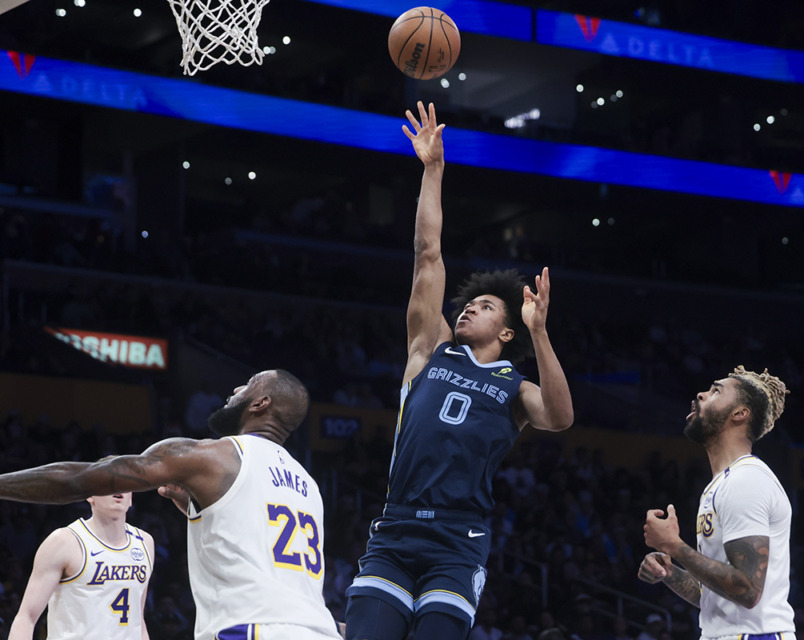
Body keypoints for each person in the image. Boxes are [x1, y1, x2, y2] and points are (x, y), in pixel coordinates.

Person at [344, 102, 575, 640]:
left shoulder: (515, 387)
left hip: (458, 538)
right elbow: (429, 256)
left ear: (508, 331)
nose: (468, 309)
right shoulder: (430, 350)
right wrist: (432, 171)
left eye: (487, 307)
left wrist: (541, 332)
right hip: (396, 528)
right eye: (468, 306)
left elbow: (561, 417)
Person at [0, 369, 343, 640]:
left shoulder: (214, 457)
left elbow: (81, 479)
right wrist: (202, 513)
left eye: (248, 385)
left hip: (253, 630)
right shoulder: (308, 485)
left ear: (260, 404)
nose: (236, 389)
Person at [639, 366, 795, 640]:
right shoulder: (724, 482)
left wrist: (673, 545)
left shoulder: (746, 481)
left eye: (715, 391)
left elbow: (746, 590)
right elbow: (716, 595)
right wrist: (669, 572)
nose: (700, 395)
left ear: (739, 414)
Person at [9, 490, 154, 639]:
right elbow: (26, 618)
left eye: (125, 485)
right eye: (109, 484)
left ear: (131, 498)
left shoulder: (144, 542)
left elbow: (138, 620)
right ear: (90, 495)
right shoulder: (64, 541)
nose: (118, 490)